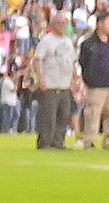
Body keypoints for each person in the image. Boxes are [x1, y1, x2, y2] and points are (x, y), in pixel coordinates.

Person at [77, 12, 109, 150]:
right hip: (96, 86)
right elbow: (84, 63)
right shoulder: (88, 44)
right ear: (100, 24)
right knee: (93, 114)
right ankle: (90, 141)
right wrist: (88, 80)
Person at [31, 11, 78, 151]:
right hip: (50, 84)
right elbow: (37, 60)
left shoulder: (68, 41)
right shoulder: (46, 41)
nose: (63, 26)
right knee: (48, 116)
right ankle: (45, 142)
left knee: (63, 116)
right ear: (53, 25)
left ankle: (58, 141)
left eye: (65, 23)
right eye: (60, 23)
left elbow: (72, 61)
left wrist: (75, 79)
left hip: (64, 84)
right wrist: (40, 79)